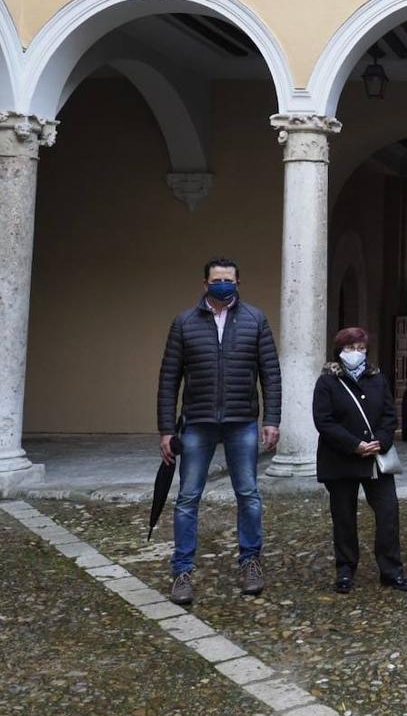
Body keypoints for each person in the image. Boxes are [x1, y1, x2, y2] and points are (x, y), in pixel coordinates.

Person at [158, 257, 281, 605]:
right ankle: (182, 571)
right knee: (187, 498)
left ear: (238, 283)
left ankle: (250, 562)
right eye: (217, 279)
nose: (223, 284)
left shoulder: (256, 320)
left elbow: (270, 372)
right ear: (205, 283)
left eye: (229, 279)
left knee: (249, 494)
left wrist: (272, 419)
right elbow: (169, 379)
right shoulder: (184, 323)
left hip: (242, 422)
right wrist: (166, 429)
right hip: (197, 423)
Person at [312, 327, 407, 594]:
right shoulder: (327, 382)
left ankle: (391, 570)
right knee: (343, 517)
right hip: (341, 459)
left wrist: (380, 441)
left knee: (388, 513)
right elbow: (324, 421)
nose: (356, 353)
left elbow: (390, 415)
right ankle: (345, 570)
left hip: (376, 459)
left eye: (361, 349)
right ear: (339, 351)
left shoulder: (377, 379)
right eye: (351, 348)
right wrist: (354, 445)